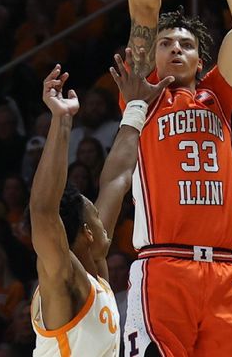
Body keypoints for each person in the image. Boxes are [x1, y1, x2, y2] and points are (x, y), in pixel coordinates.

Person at [105, 0, 232, 355]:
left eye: (187, 45)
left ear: (200, 61)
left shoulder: (218, 96)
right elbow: (145, 8)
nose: (175, 48)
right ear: (152, 55)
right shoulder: (143, 93)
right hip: (163, 266)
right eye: (166, 43)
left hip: (224, 272)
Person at [29, 54, 173, 356]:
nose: (101, 212)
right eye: (95, 213)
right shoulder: (60, 277)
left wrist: (136, 107)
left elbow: (117, 180)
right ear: (87, 232)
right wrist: (61, 121)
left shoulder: (95, 267)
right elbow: (43, 211)